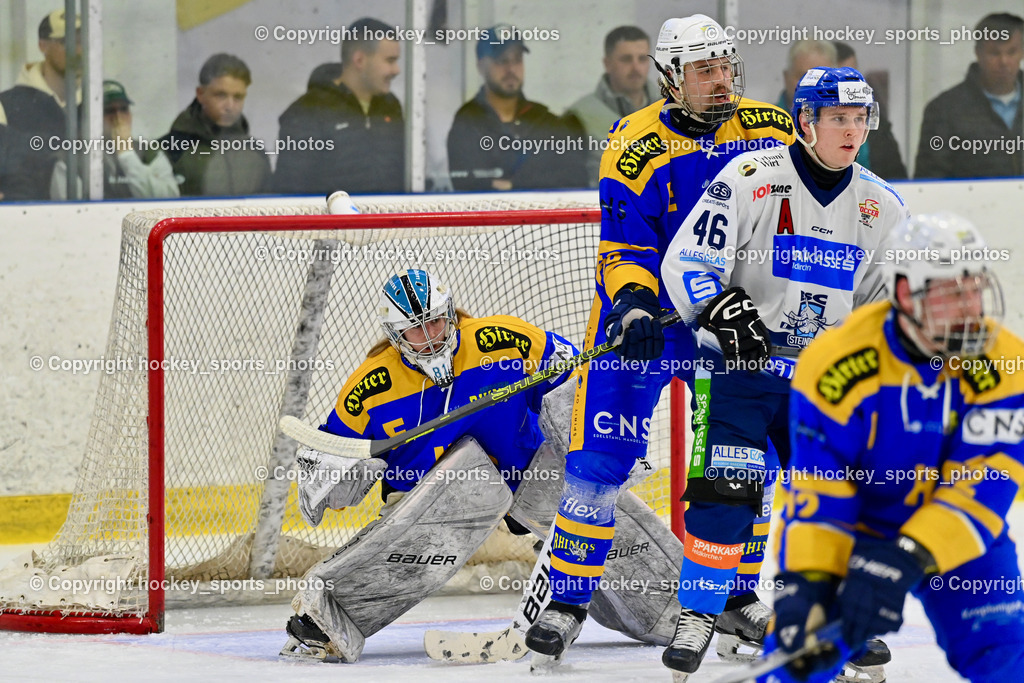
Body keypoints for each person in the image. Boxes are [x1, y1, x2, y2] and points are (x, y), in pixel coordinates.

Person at [524, 13, 795, 664]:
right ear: (670, 79)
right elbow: (624, 245)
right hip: (645, 325)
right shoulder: (633, 143)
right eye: (705, 70)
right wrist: (636, 306)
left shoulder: (770, 128)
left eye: (726, 65)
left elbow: (793, 218)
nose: (721, 80)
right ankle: (567, 599)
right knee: (597, 466)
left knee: (738, 466)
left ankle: (730, 595)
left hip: (727, 318)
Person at [659, 66, 909, 680]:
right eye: (839, 119)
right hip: (737, 375)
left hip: (821, 388)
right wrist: (715, 306)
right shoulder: (749, 179)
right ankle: (699, 612)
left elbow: (886, 304)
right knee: (726, 489)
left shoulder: (881, 205)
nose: (853, 131)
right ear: (805, 121)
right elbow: (687, 259)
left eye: (860, 119)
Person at [768, 212, 1024, 683]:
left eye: (974, 287)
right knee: (798, 660)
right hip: (856, 532)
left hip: (960, 532)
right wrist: (805, 584)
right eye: (952, 292)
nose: (971, 306)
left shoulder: (1005, 362)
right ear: (906, 293)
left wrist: (906, 555)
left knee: (1002, 651)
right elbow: (821, 491)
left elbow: (984, 486)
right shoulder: (833, 364)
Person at [274, 18, 404, 195]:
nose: (396, 70)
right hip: (333, 221)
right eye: (390, 60)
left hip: (387, 220)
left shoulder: (391, 106)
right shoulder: (308, 112)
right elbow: (290, 192)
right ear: (359, 60)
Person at [447, 25, 585, 191]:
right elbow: (469, 185)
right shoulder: (468, 120)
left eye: (517, 60)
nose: (511, 69)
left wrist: (514, 185)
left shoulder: (545, 121)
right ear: (481, 66)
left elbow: (577, 179)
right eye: (502, 61)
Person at [916, 12, 1023, 179]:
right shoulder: (944, 110)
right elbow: (929, 182)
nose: (1004, 61)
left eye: (1011, 52)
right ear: (978, 53)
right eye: (994, 53)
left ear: (1022, 52)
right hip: (966, 203)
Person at [160, 53, 270, 196]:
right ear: (200, 94)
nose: (230, 106)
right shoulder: (170, 149)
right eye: (221, 95)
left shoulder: (256, 152)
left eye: (238, 97)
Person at [564, 26, 660, 187]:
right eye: (626, 59)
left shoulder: (670, 108)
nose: (636, 68)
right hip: (601, 209)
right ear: (607, 64)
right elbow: (567, 182)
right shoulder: (579, 116)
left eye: (642, 59)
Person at [0, 9, 80, 200]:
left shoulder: (104, 104)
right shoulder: (8, 105)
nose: (78, 50)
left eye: (83, 42)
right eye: (66, 42)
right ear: (42, 46)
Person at [51, 80, 179, 200]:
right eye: (109, 111)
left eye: (124, 109)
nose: (118, 117)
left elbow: (170, 198)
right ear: (90, 116)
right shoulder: (70, 160)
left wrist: (127, 155)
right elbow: (71, 214)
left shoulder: (149, 152)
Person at [833, 41, 907, 180]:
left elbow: (896, 178)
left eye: (855, 78)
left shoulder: (877, 126)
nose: (851, 87)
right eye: (842, 80)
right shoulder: (806, 124)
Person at [776, 40, 837, 111]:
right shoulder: (765, 120)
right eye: (803, 77)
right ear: (786, 78)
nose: (811, 85)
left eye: (820, 78)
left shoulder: (847, 120)